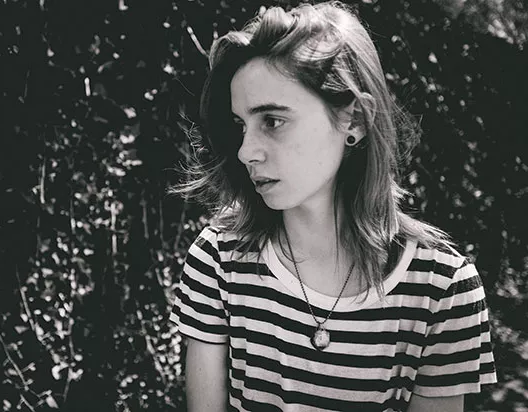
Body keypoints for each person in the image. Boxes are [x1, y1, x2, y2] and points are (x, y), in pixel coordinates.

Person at [169, 2, 497, 411]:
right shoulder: (220, 260)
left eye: (272, 121)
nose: (246, 151)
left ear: (354, 120)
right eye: (241, 125)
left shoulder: (442, 290)